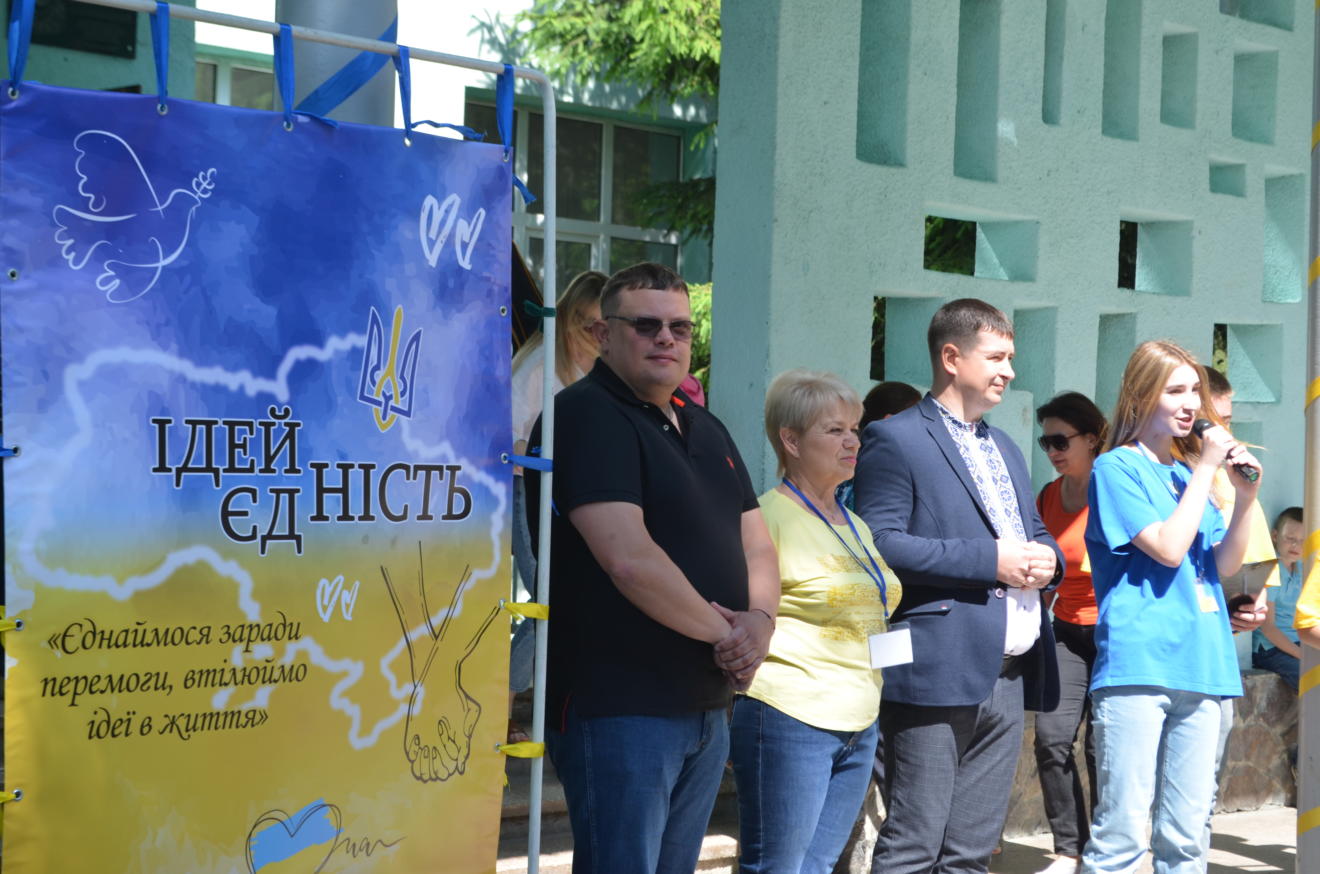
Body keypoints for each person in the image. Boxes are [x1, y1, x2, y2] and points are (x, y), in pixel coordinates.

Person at [526, 262, 780, 874]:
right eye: (645, 325)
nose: (666, 338)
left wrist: (761, 623)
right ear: (603, 334)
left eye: (679, 327)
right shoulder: (582, 415)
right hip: (622, 705)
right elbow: (629, 560)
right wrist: (731, 637)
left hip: (705, 702)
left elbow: (758, 545)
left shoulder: (705, 424)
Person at [856, 298, 1062, 874]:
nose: (1009, 371)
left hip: (1010, 672)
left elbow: (1033, 531)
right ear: (951, 357)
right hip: (937, 668)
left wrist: (1049, 559)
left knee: (971, 855)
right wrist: (991, 560)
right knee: (914, 846)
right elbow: (881, 544)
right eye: (996, 357)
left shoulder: (1005, 446)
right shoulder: (895, 438)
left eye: (1011, 357)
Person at [1081, 340, 1262, 874]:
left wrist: (1245, 498)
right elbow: (1167, 547)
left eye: (1195, 392)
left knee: (1186, 839)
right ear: (1141, 395)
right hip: (1140, 666)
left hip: (1204, 665)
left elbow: (1224, 564)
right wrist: (1206, 468)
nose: (1191, 405)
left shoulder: (1186, 474)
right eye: (1176, 390)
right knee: (1120, 837)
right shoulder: (1116, 468)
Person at [730, 369, 903, 873]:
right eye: (835, 430)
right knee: (778, 867)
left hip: (859, 719)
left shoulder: (856, 522)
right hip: (789, 715)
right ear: (791, 440)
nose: (853, 442)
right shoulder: (765, 518)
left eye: (855, 429)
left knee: (819, 867)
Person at [506, 270, 605, 741]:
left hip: (566, 497)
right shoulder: (541, 365)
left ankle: (518, 698)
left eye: (605, 326)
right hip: (528, 492)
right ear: (570, 319)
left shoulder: (593, 367)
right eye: (590, 325)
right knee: (550, 598)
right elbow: (507, 440)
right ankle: (502, 702)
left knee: (561, 599)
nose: (598, 335)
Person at [1030, 391, 1107, 874]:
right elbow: (1044, 568)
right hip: (1064, 629)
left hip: (1113, 633)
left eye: (1061, 441)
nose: (1053, 451)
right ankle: (1069, 849)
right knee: (1051, 739)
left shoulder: (1114, 488)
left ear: (1092, 439)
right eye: (1046, 443)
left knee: (1103, 747)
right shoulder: (1048, 495)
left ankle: (1106, 848)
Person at [1252, 506, 1305, 688]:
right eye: (1290, 538)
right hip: (1270, 649)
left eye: (1303, 541)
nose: (1296, 545)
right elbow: (1268, 628)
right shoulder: (1272, 569)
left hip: (1297, 643)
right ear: (1275, 536)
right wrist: (1303, 656)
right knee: (1312, 679)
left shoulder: (1301, 569)